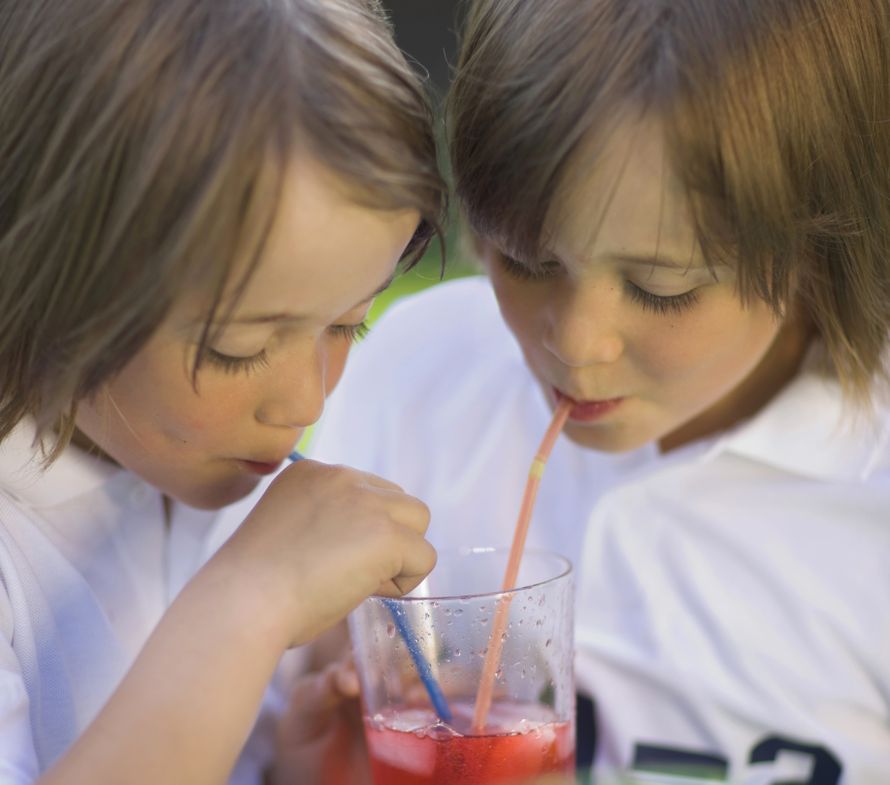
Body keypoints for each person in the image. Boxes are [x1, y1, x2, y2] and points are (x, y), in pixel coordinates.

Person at [310, 0, 890, 782]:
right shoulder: (417, 377)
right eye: (526, 261)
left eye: (661, 288)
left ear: (821, 244)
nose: (577, 344)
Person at [0, 0, 447, 783]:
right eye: (237, 348)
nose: (305, 405)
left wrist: (289, 766)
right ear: (49, 270)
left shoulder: (211, 476)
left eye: (349, 324)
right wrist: (251, 599)